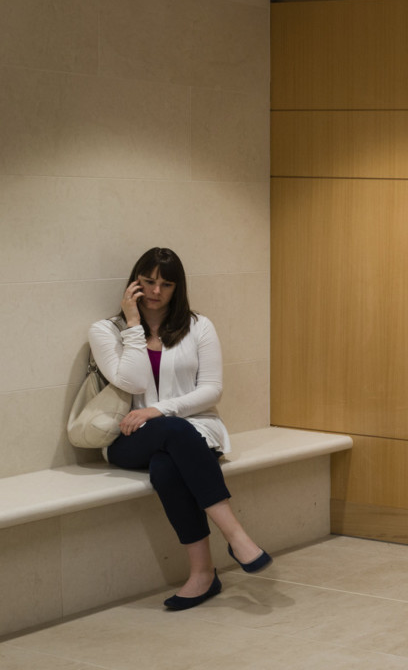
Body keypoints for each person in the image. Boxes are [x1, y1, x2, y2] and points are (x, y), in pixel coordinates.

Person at [87, 247, 271, 610]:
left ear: (178, 287)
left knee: (167, 465)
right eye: (148, 281)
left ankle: (202, 575)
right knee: (172, 432)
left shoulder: (199, 326)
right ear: (134, 283)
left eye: (166, 284)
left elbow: (212, 390)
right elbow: (134, 382)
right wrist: (133, 325)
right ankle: (236, 536)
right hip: (127, 437)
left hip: (196, 430)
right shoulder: (105, 331)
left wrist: (159, 410)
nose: (156, 291)